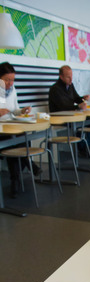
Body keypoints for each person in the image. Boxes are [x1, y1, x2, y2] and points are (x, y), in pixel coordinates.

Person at [0, 62, 41, 198]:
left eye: (12, 80)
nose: (10, 83)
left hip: (11, 126)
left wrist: (22, 111)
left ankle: (15, 181)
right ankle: (29, 165)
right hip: (1, 131)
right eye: (7, 80)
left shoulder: (12, 90)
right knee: (13, 142)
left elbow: (14, 111)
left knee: (20, 139)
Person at [48, 65, 90, 157]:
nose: (71, 79)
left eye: (71, 76)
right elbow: (62, 106)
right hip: (60, 119)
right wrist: (78, 106)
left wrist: (83, 98)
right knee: (82, 124)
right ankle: (83, 149)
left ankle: (87, 149)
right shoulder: (55, 89)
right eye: (68, 77)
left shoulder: (70, 86)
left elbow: (76, 98)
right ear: (61, 77)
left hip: (71, 116)